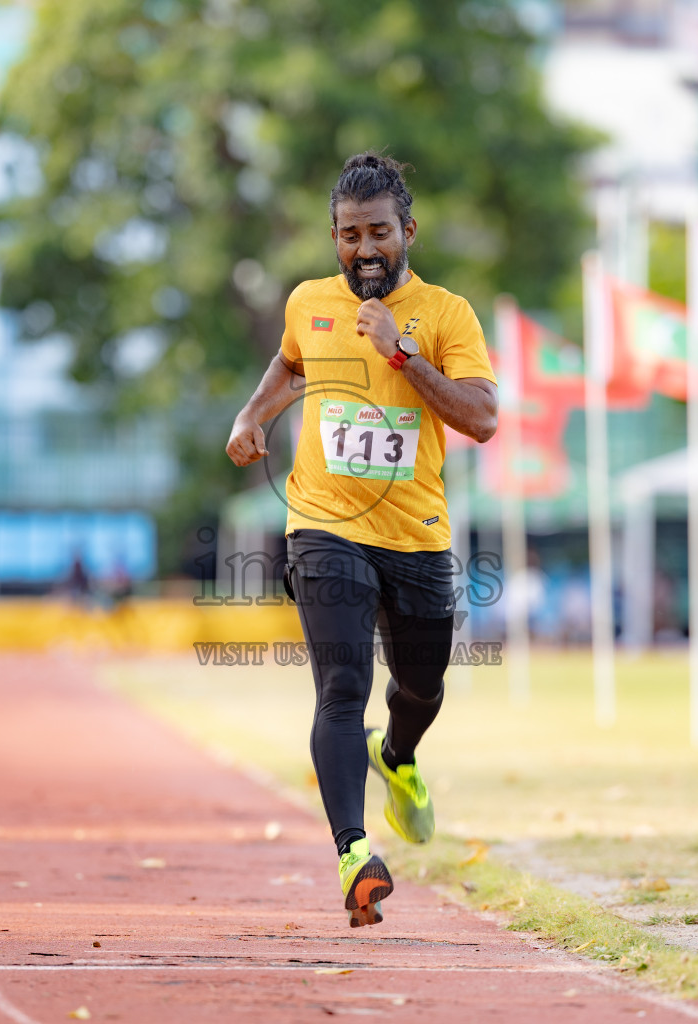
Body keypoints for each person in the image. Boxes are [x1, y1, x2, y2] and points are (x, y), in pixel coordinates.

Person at [226, 152, 498, 928]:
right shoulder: (308, 303)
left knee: (422, 688)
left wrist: (400, 353)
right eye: (350, 235)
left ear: (407, 231)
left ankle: (399, 756)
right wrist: (253, 416)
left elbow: (481, 419)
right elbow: (287, 365)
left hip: (414, 536)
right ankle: (354, 855)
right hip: (323, 526)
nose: (364, 248)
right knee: (340, 689)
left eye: (379, 231)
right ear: (334, 237)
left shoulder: (446, 315)